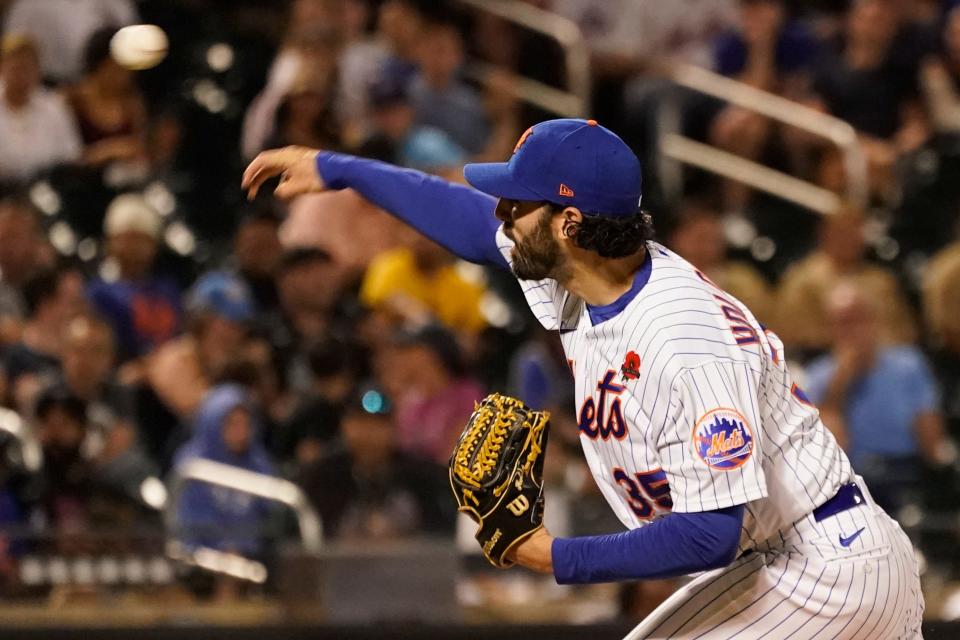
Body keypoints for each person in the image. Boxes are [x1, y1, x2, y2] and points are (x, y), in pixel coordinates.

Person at [244, 117, 923, 637]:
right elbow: (474, 225)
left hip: (824, 570)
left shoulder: (682, 338)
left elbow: (709, 532)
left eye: (519, 201)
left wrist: (553, 555)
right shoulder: (583, 273)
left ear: (570, 223)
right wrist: (339, 169)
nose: (504, 213)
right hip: (782, 562)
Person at [803, 282, 952, 514]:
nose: (853, 330)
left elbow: (932, 443)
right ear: (831, 328)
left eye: (859, 319)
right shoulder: (817, 377)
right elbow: (830, 451)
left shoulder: (909, 365)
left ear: (874, 321)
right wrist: (840, 383)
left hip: (906, 474)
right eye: (843, 322)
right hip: (851, 479)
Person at [297, 383, 455, 540]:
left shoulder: (424, 478)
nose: (369, 433)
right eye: (360, 423)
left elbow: (441, 537)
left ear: (394, 428)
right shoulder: (320, 478)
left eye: (378, 425)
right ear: (344, 426)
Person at [87, 193, 181, 361]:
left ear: (154, 245)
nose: (134, 248)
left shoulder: (168, 290)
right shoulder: (98, 293)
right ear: (110, 244)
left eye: (141, 240)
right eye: (126, 239)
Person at [0, 34, 82, 185]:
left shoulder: (54, 107)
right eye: (15, 67)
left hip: (47, 189)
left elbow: (71, 157)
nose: (21, 75)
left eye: (27, 67)